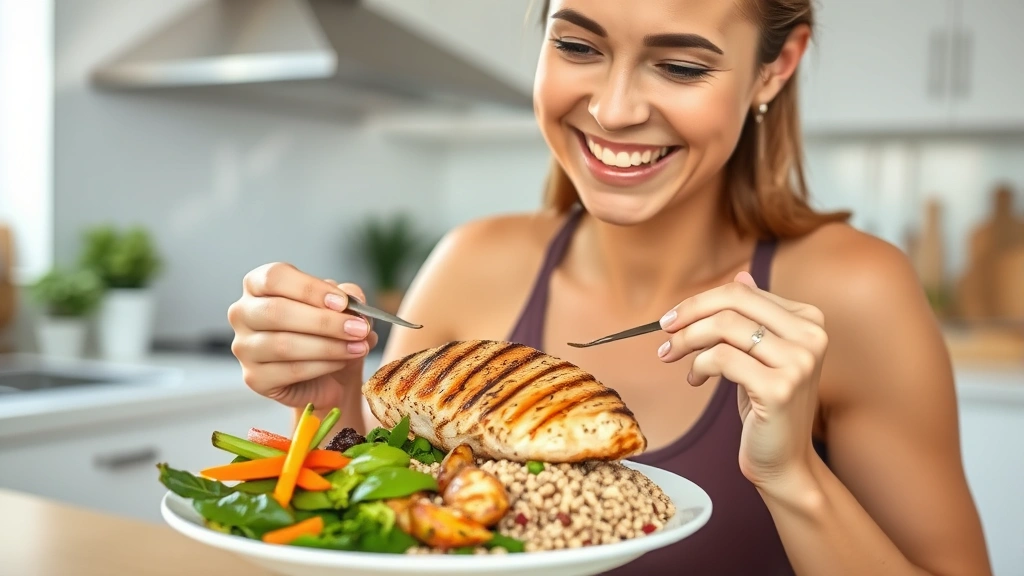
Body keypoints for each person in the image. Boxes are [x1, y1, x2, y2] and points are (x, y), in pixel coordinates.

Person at [226, 1, 992, 574]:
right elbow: (401, 543)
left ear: (775, 66)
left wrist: (792, 477)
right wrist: (331, 414)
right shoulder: (469, 262)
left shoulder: (856, 291)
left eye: (681, 65)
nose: (614, 109)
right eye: (576, 44)